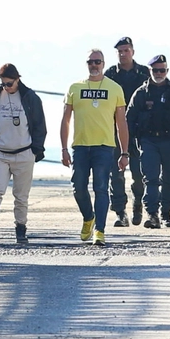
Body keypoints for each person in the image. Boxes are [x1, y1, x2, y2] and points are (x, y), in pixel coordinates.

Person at [60, 49, 130, 247]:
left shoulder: (115, 88)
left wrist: (124, 152)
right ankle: (88, 217)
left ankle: (100, 230)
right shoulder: (75, 87)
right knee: (78, 187)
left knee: (101, 187)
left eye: (97, 62)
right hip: (80, 147)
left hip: (104, 147)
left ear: (103, 63)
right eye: (90, 62)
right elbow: (65, 120)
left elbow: (121, 123)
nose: (94, 65)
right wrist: (64, 149)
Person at [0, 64, 46, 244]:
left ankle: (21, 228)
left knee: (21, 195)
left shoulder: (30, 97)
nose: (6, 87)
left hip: (24, 152)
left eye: (9, 84)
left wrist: (36, 150)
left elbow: (40, 126)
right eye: (3, 84)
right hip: (0, 151)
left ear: (17, 79)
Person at [129, 55, 170, 229]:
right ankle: (152, 214)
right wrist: (129, 144)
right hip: (149, 141)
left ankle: (166, 214)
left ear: (167, 71)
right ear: (150, 71)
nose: (159, 73)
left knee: (168, 179)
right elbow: (129, 119)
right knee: (151, 179)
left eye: (162, 70)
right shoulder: (140, 93)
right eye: (155, 70)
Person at [104, 37, 151, 227]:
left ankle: (138, 204)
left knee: (140, 174)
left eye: (126, 50)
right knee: (115, 174)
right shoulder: (110, 75)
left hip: (138, 131)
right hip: (114, 130)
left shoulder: (144, 73)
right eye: (120, 51)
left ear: (132, 51)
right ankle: (120, 212)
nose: (123, 54)